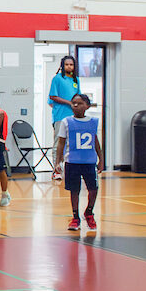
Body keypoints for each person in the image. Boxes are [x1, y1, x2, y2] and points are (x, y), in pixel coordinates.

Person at [56, 93, 104, 231]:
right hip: (72, 162)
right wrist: (57, 163)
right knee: (74, 190)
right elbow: (61, 143)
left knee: (93, 189)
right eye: (73, 103)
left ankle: (89, 212)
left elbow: (95, 141)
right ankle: (75, 217)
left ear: (87, 106)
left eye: (79, 103)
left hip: (89, 162)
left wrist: (101, 159)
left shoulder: (93, 122)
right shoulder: (66, 122)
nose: (75, 105)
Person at [48, 55, 80, 180]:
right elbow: (53, 96)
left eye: (71, 64)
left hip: (73, 116)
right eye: (67, 64)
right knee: (58, 143)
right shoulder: (57, 79)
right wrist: (69, 103)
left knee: (70, 144)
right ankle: (56, 170)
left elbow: (78, 96)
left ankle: (68, 169)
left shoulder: (76, 80)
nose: (69, 67)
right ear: (62, 66)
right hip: (60, 116)